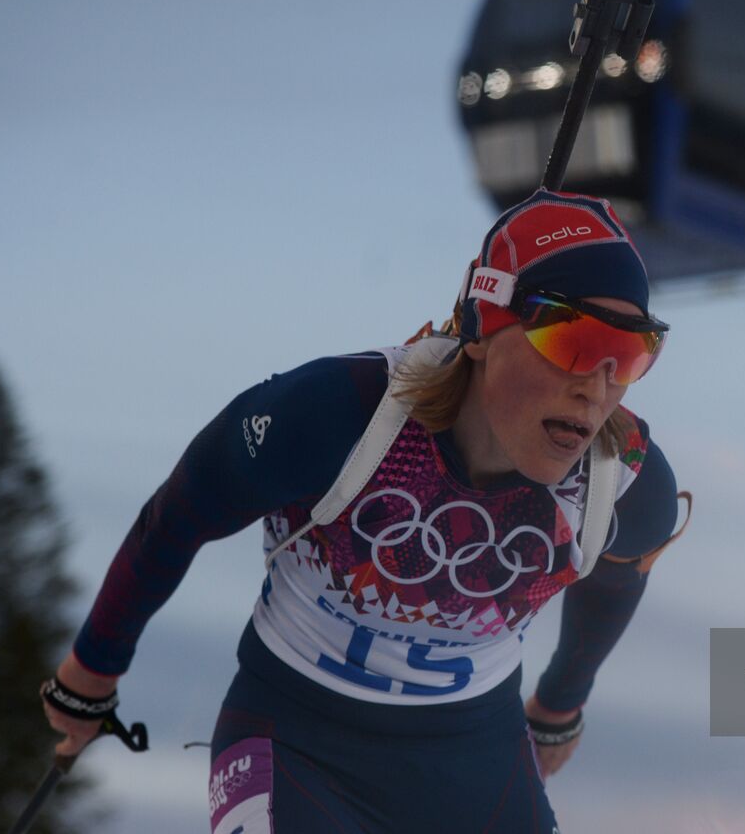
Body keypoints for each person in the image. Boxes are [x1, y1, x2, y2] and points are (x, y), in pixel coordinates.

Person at [40, 189, 686, 833]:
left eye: (630, 353)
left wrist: (559, 706)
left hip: (477, 759)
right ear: (483, 330)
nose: (596, 385)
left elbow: (614, 586)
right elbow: (179, 515)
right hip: (295, 740)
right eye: (573, 340)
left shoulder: (628, 483)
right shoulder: (335, 414)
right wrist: (91, 668)